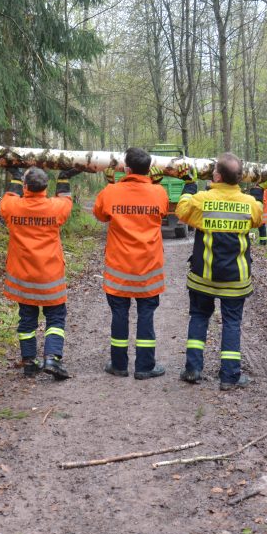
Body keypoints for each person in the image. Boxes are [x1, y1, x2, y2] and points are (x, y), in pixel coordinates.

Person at [175, 153, 263, 390]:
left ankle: (193, 369)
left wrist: (189, 185)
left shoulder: (201, 200)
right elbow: (258, 218)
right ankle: (229, 376)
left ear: (217, 176)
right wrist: (258, 191)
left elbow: (182, 211)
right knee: (231, 323)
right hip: (235, 279)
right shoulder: (248, 203)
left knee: (199, 317)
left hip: (203, 276)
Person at [93, 147, 169, 379]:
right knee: (146, 315)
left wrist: (110, 184)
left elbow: (100, 215)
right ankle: (145, 367)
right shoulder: (159, 192)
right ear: (149, 169)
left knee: (119, 314)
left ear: (126, 169)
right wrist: (155, 183)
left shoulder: (111, 191)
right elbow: (163, 212)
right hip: (149, 269)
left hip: (119, 269)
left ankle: (119, 365)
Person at [0, 165, 81, 379]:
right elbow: (65, 199)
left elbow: (10, 196)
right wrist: (64, 177)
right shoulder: (55, 208)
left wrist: (16, 176)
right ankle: (52, 358)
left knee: (27, 319)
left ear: (26, 186)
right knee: (55, 317)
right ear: (45, 187)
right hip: (50, 276)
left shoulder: (12, 207)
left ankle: (29, 361)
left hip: (23, 277)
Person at [247, 179, 267, 246]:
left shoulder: (262, 190)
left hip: (261, 210)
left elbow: (263, 200)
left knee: (260, 226)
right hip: (263, 211)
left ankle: (263, 242)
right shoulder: (264, 190)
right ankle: (263, 241)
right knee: (262, 226)